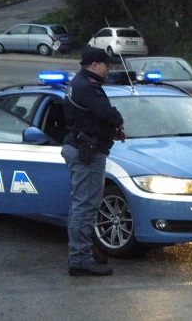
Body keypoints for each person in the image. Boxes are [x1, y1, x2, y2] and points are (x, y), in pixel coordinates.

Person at [61, 48, 125, 276]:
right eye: (107, 65)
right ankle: (79, 259)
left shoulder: (80, 83)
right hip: (86, 151)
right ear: (95, 65)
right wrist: (118, 122)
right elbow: (106, 113)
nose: (109, 69)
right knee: (86, 207)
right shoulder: (86, 86)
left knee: (82, 205)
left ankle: (82, 253)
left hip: (83, 148)